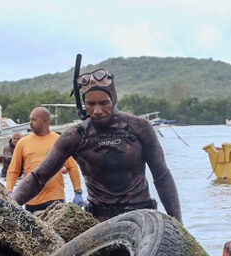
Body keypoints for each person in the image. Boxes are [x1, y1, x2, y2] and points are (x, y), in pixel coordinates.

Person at [11, 69, 181, 222]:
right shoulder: (76, 136)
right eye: (91, 104)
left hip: (141, 215)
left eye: (103, 103)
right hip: (98, 221)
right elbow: (38, 177)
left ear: (113, 99)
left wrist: (178, 225)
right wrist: (9, 203)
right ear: (84, 104)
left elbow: (162, 176)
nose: (97, 111)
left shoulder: (139, 128)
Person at [6, 107, 83, 212]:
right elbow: (13, 170)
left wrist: (77, 191)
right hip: (30, 199)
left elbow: (72, 167)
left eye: (34, 120)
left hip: (55, 199)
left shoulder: (58, 140)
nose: (30, 122)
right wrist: (9, 191)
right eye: (30, 119)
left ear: (45, 121)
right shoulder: (23, 143)